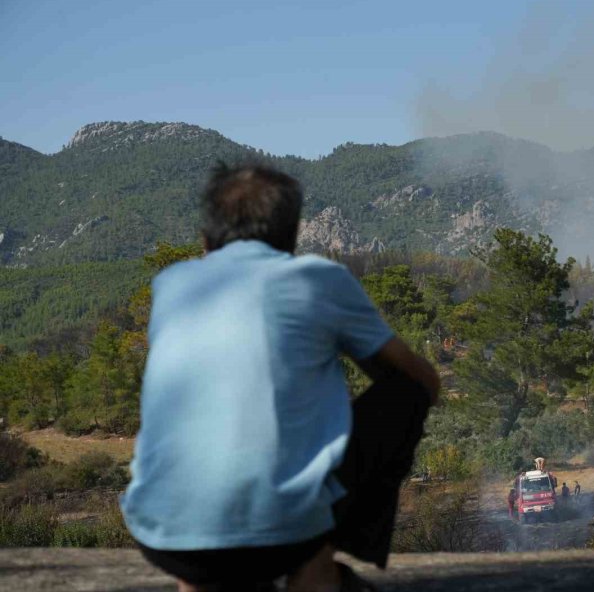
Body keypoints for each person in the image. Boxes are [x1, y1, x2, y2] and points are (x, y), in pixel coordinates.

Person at [121, 163, 440, 592]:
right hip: (285, 539)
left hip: (162, 537)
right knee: (406, 393)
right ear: (291, 239)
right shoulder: (318, 279)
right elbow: (419, 381)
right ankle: (317, 567)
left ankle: (198, 582)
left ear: (205, 239)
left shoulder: (171, 283)